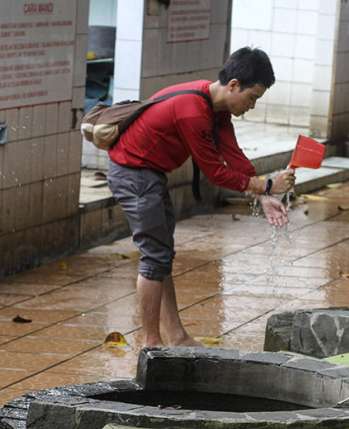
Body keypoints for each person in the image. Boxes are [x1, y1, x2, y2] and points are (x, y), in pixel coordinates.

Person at [107, 47, 295, 348]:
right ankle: (151, 345)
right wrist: (268, 185)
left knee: (162, 254)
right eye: (252, 98)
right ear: (233, 85)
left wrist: (263, 194)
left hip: (149, 174)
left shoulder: (212, 103)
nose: (252, 106)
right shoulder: (193, 110)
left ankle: (176, 336)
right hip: (134, 173)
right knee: (154, 257)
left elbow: (231, 152)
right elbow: (216, 173)